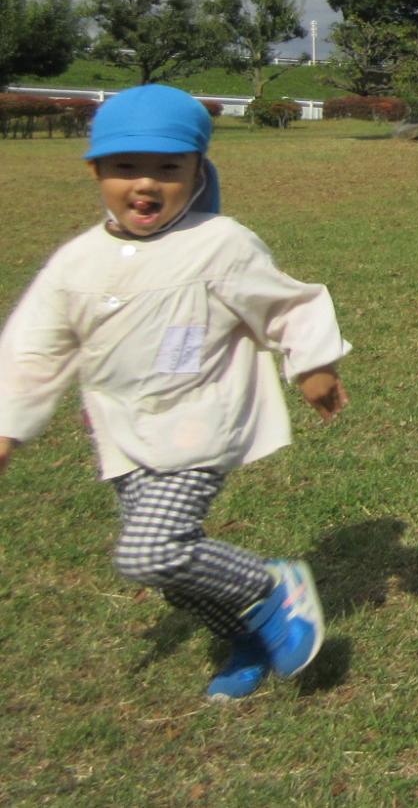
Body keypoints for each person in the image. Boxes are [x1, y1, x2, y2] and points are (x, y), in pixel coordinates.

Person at [0, 86, 348, 701]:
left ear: (197, 172)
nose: (147, 184)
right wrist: (7, 422)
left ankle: (272, 587)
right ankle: (250, 638)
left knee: (149, 551)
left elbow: (287, 303)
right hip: (121, 434)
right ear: (95, 171)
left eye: (169, 169)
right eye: (126, 167)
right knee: (173, 573)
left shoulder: (220, 243)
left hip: (198, 422)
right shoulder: (75, 263)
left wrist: (313, 364)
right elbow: (33, 347)